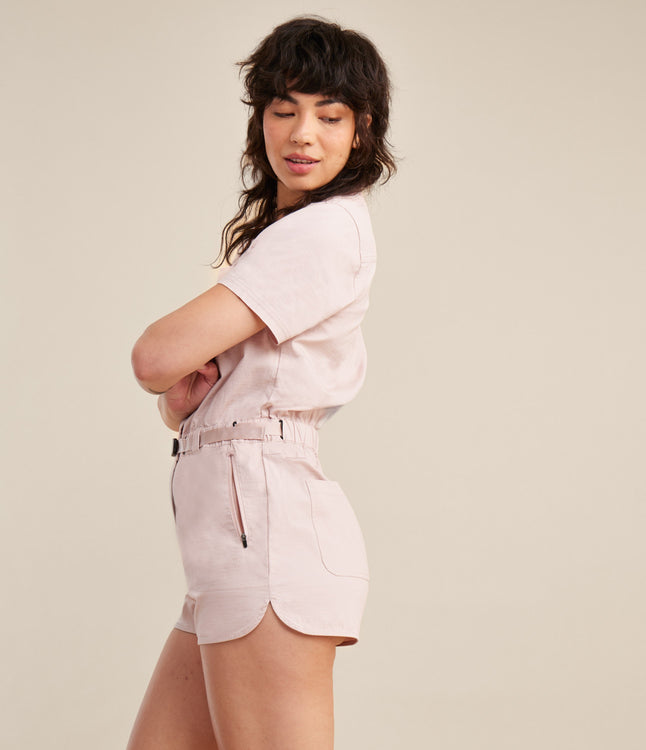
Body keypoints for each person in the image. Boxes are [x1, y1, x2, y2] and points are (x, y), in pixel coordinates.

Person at [127, 16, 395, 750]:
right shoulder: (287, 235)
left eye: (329, 116)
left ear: (362, 131)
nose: (303, 134)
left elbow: (153, 356)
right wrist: (185, 403)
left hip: (268, 544)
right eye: (284, 110)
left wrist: (170, 373)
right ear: (261, 120)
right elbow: (185, 390)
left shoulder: (323, 231)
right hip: (232, 543)